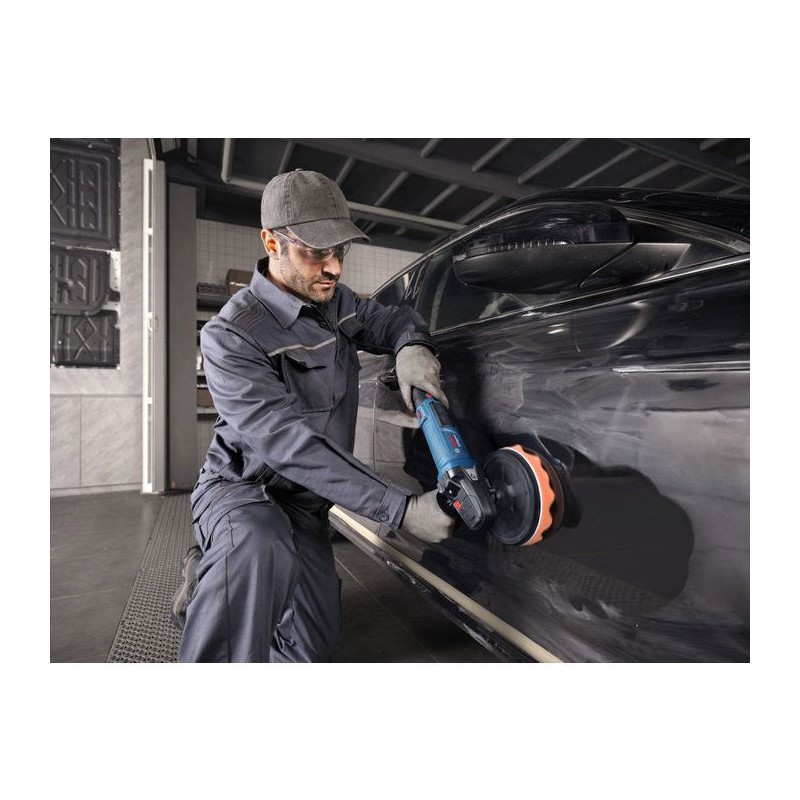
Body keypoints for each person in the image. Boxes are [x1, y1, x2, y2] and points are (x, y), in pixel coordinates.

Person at [177, 169, 457, 663]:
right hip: (242, 492)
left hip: (304, 506)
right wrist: (402, 510)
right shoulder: (231, 335)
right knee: (256, 543)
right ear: (271, 243)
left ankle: (232, 583)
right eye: (316, 252)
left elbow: (390, 318)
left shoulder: (335, 303)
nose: (334, 267)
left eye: (340, 251)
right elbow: (287, 443)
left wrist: (411, 344)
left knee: (311, 653)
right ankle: (213, 572)